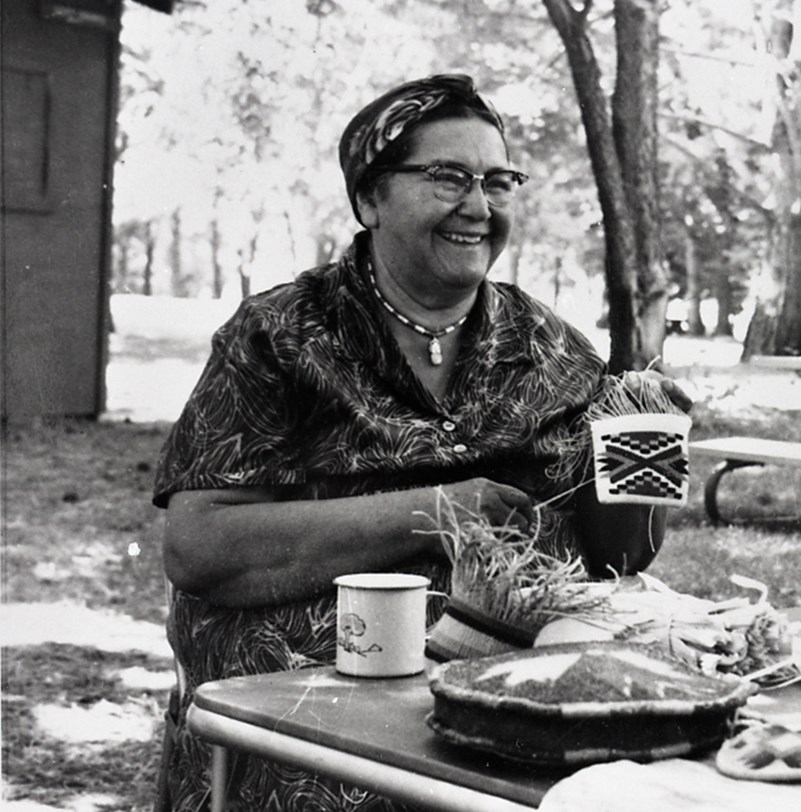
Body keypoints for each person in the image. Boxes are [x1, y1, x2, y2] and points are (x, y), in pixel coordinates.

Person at [152, 74, 687, 811]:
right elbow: (200, 548)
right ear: (371, 199)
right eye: (447, 177)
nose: (478, 206)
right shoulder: (281, 337)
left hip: (513, 681)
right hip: (317, 693)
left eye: (499, 182)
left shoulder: (550, 345)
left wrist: (646, 449)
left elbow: (619, 555)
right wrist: (440, 511)